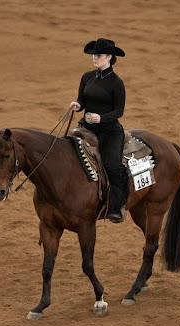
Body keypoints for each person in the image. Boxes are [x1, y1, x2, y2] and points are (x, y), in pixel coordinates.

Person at [70, 38, 129, 223]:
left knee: (112, 165)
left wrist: (101, 118)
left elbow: (119, 111)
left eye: (99, 55)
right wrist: (77, 105)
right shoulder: (87, 77)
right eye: (94, 55)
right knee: (66, 152)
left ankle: (116, 206)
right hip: (87, 128)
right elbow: (83, 100)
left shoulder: (116, 83)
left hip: (110, 131)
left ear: (109, 57)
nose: (95, 58)